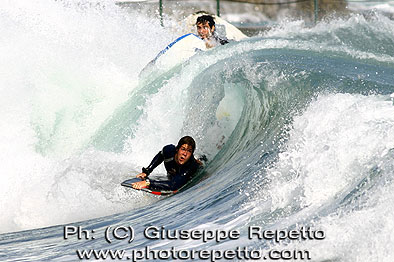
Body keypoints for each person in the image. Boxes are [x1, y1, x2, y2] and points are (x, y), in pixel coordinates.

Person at [131, 136, 203, 191]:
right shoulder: (169, 151)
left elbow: (173, 186)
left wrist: (147, 183)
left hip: (188, 175)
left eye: (189, 151)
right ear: (177, 149)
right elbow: (160, 156)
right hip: (173, 176)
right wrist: (147, 171)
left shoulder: (190, 166)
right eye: (183, 149)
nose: (185, 154)